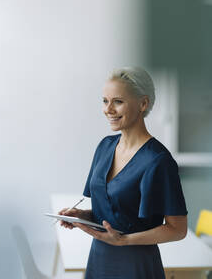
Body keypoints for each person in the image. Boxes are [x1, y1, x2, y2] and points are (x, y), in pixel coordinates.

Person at [59, 66, 188, 279]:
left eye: (118, 101)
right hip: (99, 257)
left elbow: (178, 229)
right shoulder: (105, 147)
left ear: (143, 104)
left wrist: (124, 240)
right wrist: (82, 216)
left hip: (135, 263)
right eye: (104, 101)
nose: (108, 109)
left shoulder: (158, 161)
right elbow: (113, 213)